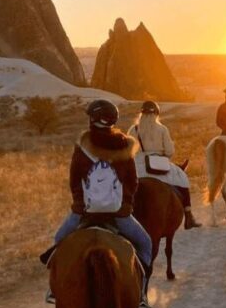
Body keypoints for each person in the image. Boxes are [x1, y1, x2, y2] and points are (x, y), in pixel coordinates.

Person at [41, 99, 153, 271]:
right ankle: (142, 286)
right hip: (119, 213)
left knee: (58, 240)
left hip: (84, 212)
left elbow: (74, 180)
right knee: (145, 244)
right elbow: (132, 181)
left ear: (93, 119)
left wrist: (80, 204)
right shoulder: (125, 146)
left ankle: (55, 283)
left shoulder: (82, 147)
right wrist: (125, 205)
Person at [128, 101, 202, 230]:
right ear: (157, 114)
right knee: (183, 180)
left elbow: (129, 150)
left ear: (141, 113)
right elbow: (169, 151)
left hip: (138, 166)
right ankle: (189, 215)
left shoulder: (133, 129)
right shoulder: (162, 129)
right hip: (158, 164)